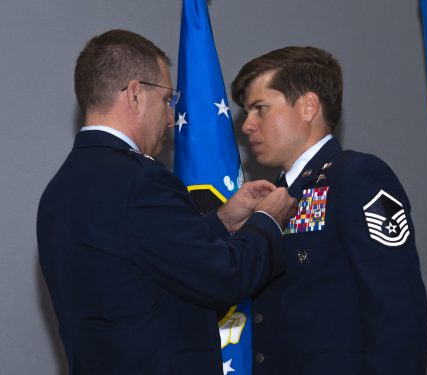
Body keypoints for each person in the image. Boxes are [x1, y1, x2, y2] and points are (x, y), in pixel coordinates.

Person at [37, 29, 297, 375]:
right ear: (134, 95)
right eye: (166, 100)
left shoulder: (58, 190)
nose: (172, 117)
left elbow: (144, 259)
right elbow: (227, 277)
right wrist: (267, 219)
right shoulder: (140, 180)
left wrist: (222, 219)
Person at [231, 46, 427, 375]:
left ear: (309, 106)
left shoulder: (357, 177)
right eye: (247, 113)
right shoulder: (270, 199)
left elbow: (397, 309)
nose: (247, 126)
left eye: (260, 109)